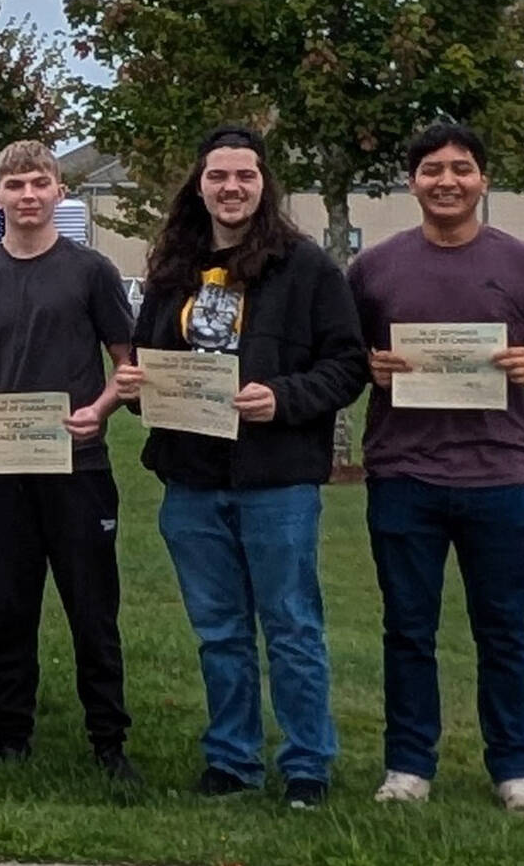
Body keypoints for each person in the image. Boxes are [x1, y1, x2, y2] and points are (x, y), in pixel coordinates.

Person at [114, 125, 368, 809]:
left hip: (276, 479)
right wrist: (138, 391)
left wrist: (282, 397)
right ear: (198, 184)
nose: (230, 188)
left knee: (290, 626)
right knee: (218, 631)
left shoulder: (306, 267)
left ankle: (306, 764)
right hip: (191, 481)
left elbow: (347, 365)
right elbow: (145, 367)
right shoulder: (171, 268)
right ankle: (230, 759)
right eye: (218, 176)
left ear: (263, 184)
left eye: (244, 176)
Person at [347, 123, 524, 813]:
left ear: (483, 179)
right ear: (410, 182)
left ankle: (515, 769)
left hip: (498, 475)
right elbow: (339, 352)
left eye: (461, 169)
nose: (447, 180)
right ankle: (407, 766)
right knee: (406, 628)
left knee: (502, 630)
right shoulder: (373, 268)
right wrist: (368, 364)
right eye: (432, 169)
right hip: (402, 474)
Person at [0, 140, 139, 781]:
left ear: (59, 193)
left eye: (40, 183)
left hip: (78, 467)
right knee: (5, 608)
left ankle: (109, 742)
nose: (28, 195)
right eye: (16, 185)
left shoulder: (92, 271)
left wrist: (102, 408)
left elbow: (125, 363)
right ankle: (11, 731)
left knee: (91, 609)